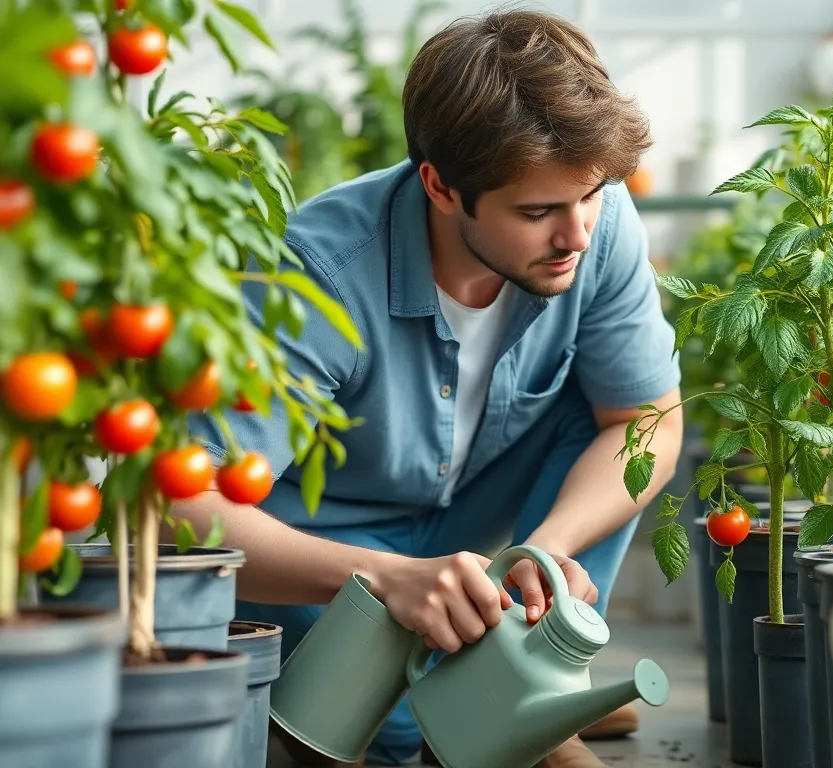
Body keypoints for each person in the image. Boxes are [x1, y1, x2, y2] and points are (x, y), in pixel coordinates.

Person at [173, 9, 683, 767]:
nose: (576, 234)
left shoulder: (595, 228)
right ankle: (398, 709)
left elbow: (648, 419)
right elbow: (180, 505)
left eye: (592, 195)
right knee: (398, 741)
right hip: (332, 560)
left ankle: (536, 700)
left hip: (487, 547)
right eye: (538, 211)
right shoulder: (320, 274)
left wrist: (542, 552)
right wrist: (386, 578)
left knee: (611, 414)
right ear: (441, 187)